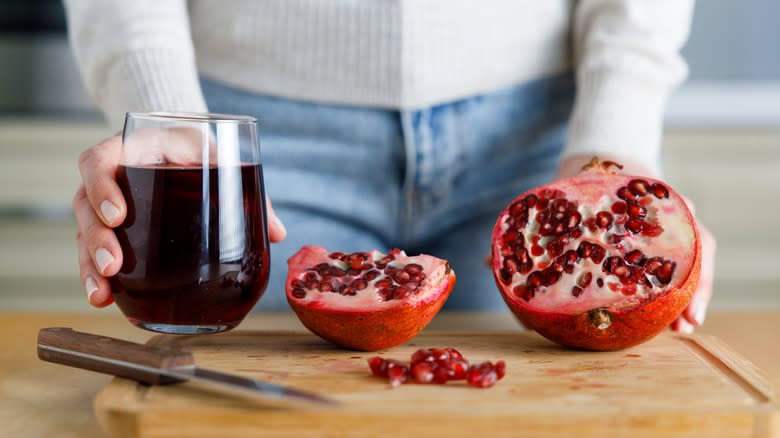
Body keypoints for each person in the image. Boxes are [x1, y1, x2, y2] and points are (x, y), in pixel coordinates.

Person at [64, 0, 715, 332]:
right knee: (221, 406)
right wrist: (165, 121)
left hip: (540, 141)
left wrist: (614, 142)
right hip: (241, 145)